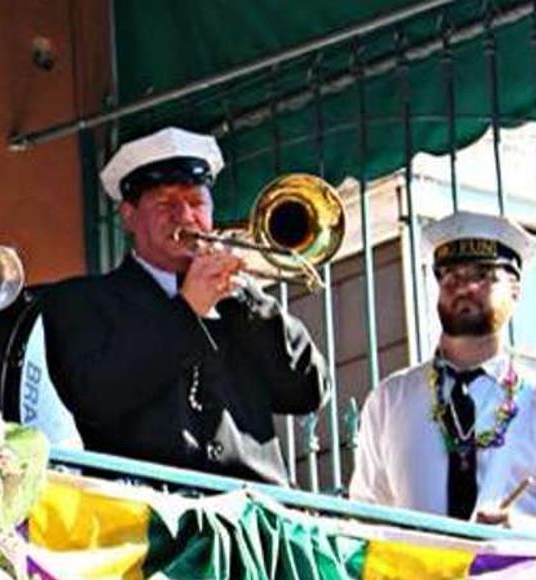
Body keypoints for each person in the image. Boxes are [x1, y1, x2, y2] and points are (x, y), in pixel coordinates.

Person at [37, 126, 327, 484]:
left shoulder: (242, 302)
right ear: (128, 215)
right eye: (165, 203)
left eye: (197, 203)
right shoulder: (81, 302)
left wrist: (248, 300)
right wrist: (187, 311)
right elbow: (96, 397)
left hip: (258, 515)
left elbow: (308, 391)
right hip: (151, 519)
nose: (186, 216)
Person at [348, 211, 536, 542]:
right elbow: (363, 520)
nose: (465, 287)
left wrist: (523, 529)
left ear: (515, 289)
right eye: (450, 276)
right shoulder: (390, 399)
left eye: (484, 275)